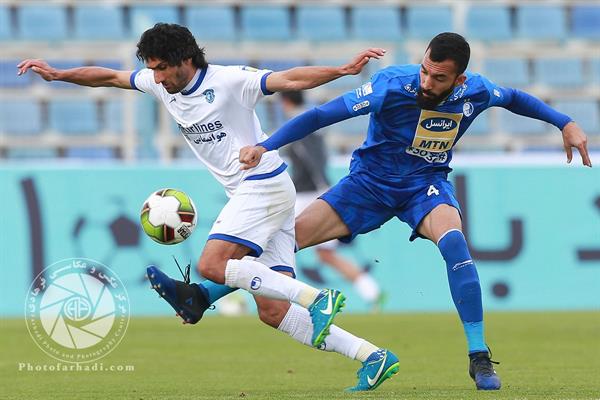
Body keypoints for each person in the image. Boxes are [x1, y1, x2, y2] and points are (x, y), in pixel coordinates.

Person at [18, 23, 399, 391]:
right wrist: (59, 74)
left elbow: (290, 79)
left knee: (212, 265)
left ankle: (315, 297)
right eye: (151, 69)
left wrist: (342, 70)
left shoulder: (229, 81)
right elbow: (109, 77)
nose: (157, 77)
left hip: (262, 184)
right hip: (259, 193)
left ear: (185, 59)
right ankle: (371, 356)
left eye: (162, 68)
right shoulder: (159, 84)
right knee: (273, 312)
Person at [239, 32, 592, 391]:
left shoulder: (477, 91)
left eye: (439, 78)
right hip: (369, 184)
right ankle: (205, 293)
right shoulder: (390, 86)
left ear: (460, 80)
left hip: (424, 186)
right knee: (283, 242)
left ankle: (478, 357)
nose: (426, 81)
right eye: (425, 70)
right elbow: (319, 116)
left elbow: (514, 98)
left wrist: (565, 122)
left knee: (455, 244)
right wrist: (265, 146)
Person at [280, 90, 384, 310]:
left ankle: (291, 299)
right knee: (326, 254)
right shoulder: (313, 126)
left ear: (285, 101)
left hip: (306, 197)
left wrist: (323, 188)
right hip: (316, 192)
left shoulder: (298, 125)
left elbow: (311, 159)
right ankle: (371, 291)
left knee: (278, 244)